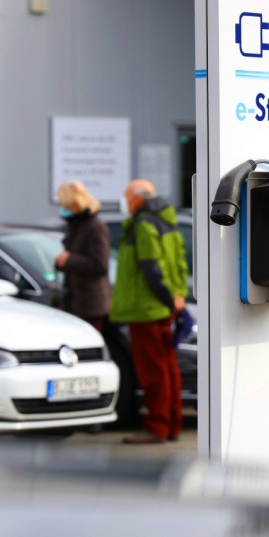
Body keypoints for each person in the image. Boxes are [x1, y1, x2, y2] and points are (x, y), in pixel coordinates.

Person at [111, 178, 188, 444]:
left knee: (153, 372)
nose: (125, 203)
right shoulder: (168, 222)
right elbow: (179, 265)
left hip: (147, 309)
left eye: (126, 197)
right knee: (168, 369)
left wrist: (166, 298)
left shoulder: (143, 224)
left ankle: (157, 427)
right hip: (166, 307)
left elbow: (151, 267)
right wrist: (177, 298)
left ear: (138, 198)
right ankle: (172, 424)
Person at [54, 180, 112, 331]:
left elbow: (100, 265)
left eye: (64, 204)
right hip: (74, 300)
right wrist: (62, 262)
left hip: (91, 305)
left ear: (74, 205)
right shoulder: (75, 226)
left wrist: (70, 260)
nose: (61, 208)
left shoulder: (95, 227)